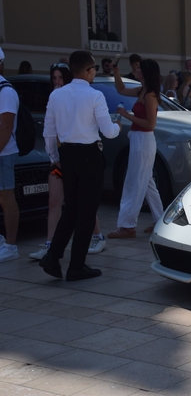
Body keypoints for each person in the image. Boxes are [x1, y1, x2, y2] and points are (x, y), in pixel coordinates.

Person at [40, 50, 121, 281]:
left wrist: (54, 157)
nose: (95, 72)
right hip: (89, 155)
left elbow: (49, 132)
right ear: (88, 71)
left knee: (72, 208)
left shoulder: (56, 96)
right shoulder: (95, 96)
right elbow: (108, 132)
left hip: (67, 154)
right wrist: (118, 127)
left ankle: (53, 256)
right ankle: (76, 265)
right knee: (86, 211)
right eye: (94, 68)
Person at [28, 63, 108, 261]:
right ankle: (50, 244)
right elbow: (49, 132)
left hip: (74, 159)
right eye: (53, 78)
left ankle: (97, 236)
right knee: (56, 200)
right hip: (59, 161)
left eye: (60, 78)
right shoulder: (56, 99)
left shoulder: (76, 98)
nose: (57, 82)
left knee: (83, 202)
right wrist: (54, 159)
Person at [108, 59, 164, 239]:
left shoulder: (150, 95)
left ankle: (127, 225)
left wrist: (126, 116)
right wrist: (116, 73)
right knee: (147, 183)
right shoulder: (142, 91)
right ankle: (160, 220)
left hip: (143, 141)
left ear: (146, 73)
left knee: (133, 183)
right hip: (140, 140)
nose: (136, 70)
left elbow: (150, 124)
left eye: (139, 68)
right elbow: (121, 90)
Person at [0, 47, 20, 262]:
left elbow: (6, 127)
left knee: (7, 199)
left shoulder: (5, 91)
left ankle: (11, 245)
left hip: (3, 153)